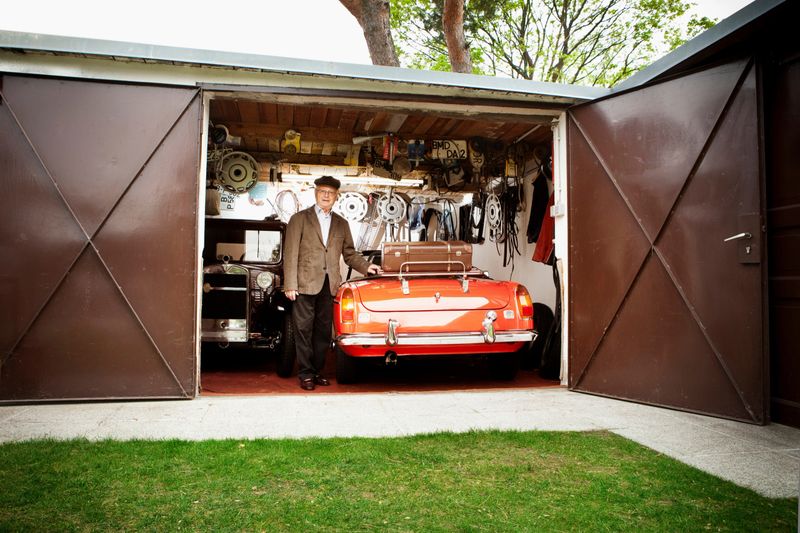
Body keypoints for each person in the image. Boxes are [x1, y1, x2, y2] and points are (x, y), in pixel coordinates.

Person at [283, 176, 382, 390]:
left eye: (330, 192)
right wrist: (290, 284)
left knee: (323, 331)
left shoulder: (342, 223)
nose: (326, 195)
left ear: (336, 196)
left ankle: (317, 371)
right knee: (303, 329)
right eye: (322, 191)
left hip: (330, 286)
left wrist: (367, 267)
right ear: (315, 193)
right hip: (303, 284)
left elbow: (349, 253)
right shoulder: (299, 219)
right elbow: (290, 253)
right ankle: (306, 373)